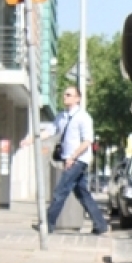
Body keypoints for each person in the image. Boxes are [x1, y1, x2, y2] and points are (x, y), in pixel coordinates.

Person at [45, 87, 109, 234]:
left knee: (60, 191)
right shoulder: (62, 116)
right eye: (64, 94)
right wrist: (31, 139)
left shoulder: (83, 117)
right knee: (82, 193)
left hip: (78, 160)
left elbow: (87, 141)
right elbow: (50, 130)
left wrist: (72, 157)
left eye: (69, 95)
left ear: (77, 99)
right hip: (70, 159)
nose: (64, 97)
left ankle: (48, 224)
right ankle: (100, 225)